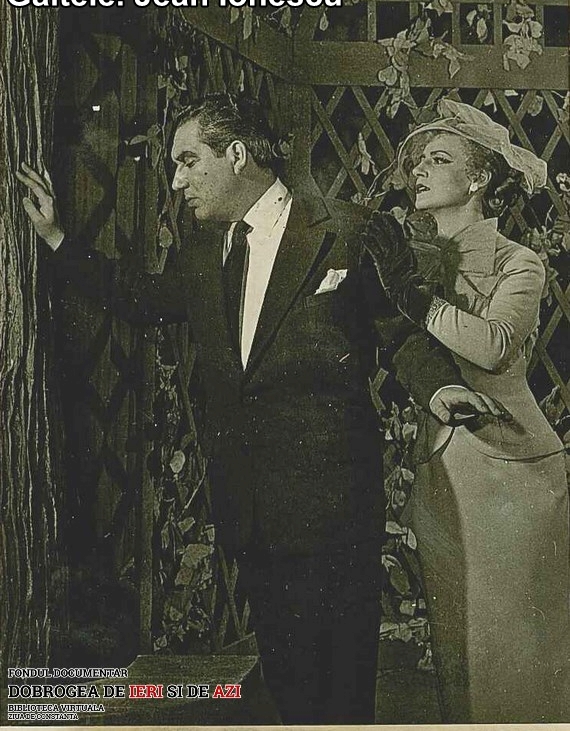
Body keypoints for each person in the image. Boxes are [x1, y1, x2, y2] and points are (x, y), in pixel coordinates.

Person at [17, 93, 505, 725]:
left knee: (343, 699)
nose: (178, 182)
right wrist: (56, 238)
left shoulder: (346, 230)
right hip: (251, 514)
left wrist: (439, 390)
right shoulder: (203, 253)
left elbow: (400, 330)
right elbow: (136, 296)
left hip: (333, 513)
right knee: (290, 693)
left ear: (237, 155)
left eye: (189, 161)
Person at [364, 98, 570, 723]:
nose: (419, 171)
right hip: (443, 467)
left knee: (521, 645)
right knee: (458, 641)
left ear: (478, 178)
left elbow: (495, 346)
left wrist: (417, 302)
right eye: (417, 162)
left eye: (439, 159)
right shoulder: (404, 259)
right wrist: (400, 289)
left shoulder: (518, 262)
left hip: (515, 470)